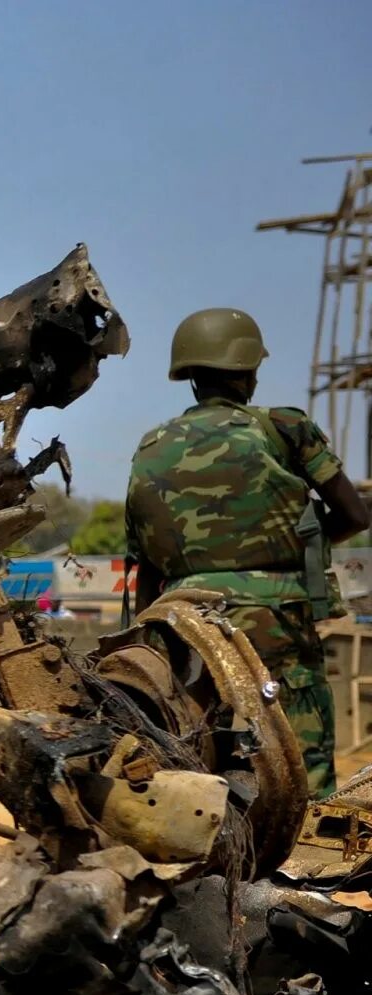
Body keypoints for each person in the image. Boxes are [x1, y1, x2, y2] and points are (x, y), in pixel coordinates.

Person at [127, 307, 369, 797]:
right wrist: (304, 539)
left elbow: (145, 564)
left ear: (190, 374)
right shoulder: (283, 427)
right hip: (275, 617)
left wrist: (144, 641)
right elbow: (356, 516)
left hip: (183, 619)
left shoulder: (152, 445)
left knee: (201, 742)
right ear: (247, 372)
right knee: (301, 747)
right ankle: (309, 848)